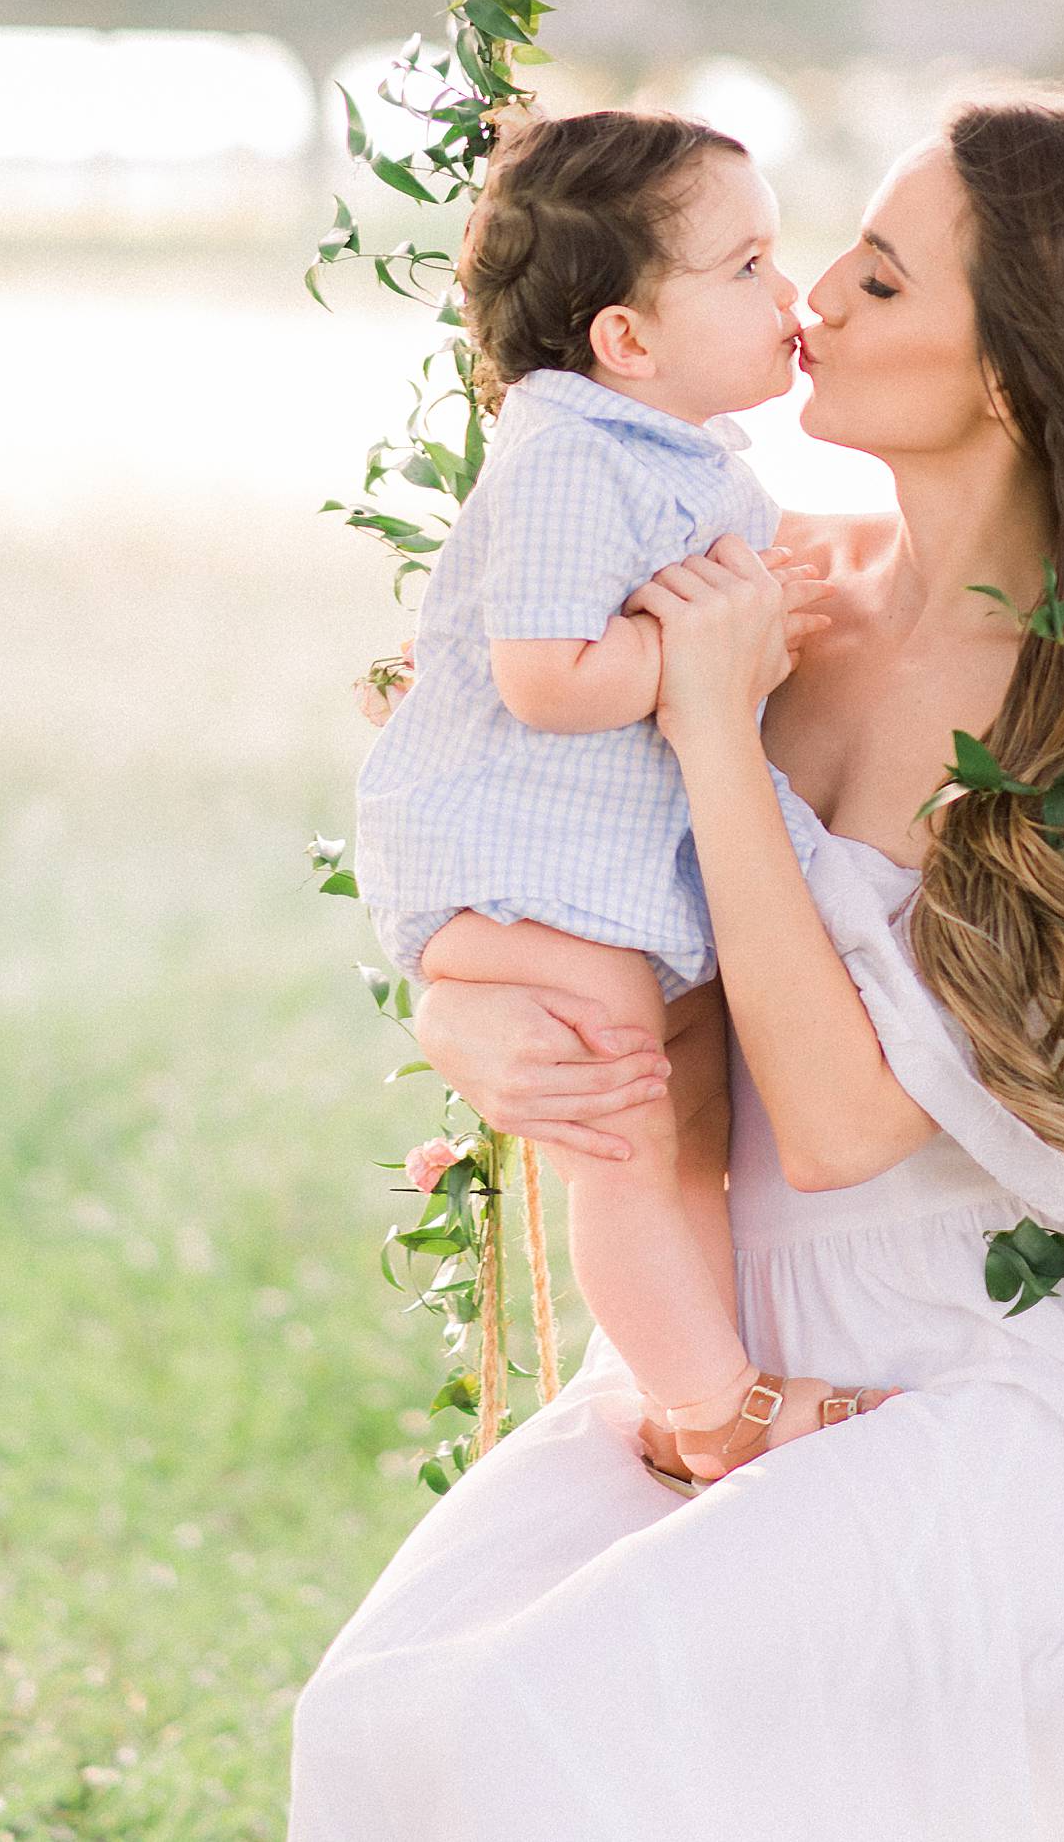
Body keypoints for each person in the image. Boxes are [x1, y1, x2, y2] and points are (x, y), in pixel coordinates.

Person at [291, 89, 1064, 1842]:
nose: (817, 294)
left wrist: (709, 729)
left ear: (1004, 374)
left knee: (565, 1707)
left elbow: (841, 1126)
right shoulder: (764, 582)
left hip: (966, 1376)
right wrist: (471, 1004)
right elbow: (498, 810)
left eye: (887, 281)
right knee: (393, 1714)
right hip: (730, 1352)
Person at [355, 105, 891, 1481]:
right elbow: (543, 679)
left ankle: (697, 1379)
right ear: (626, 342)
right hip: (519, 877)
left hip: (592, 883)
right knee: (634, 1135)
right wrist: (698, 652)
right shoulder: (575, 455)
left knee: (687, 1125)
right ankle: (717, 1410)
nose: (793, 294)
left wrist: (755, 609)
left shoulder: (670, 455)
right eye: (750, 267)